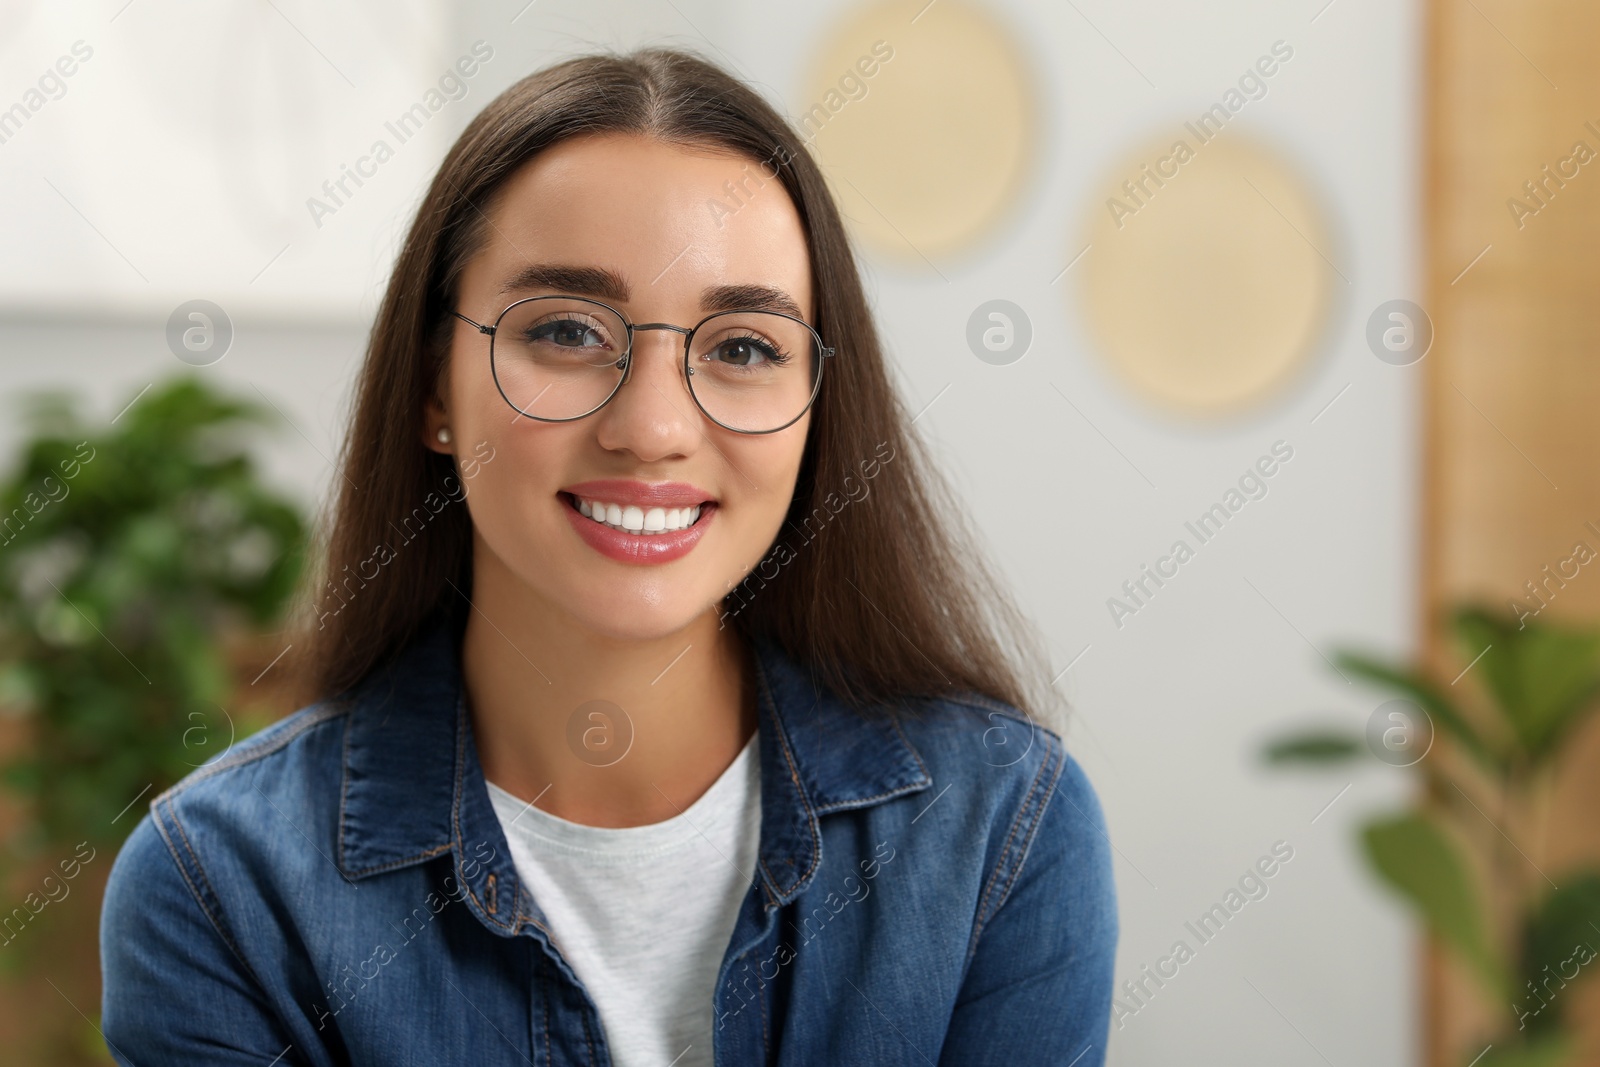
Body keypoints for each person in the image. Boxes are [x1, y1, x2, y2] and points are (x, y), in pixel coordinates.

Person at [99, 46, 1117, 1066]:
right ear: (433, 389)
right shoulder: (220, 889)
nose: (653, 426)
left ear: (819, 404)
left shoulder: (1002, 829)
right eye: (568, 330)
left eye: (744, 347)